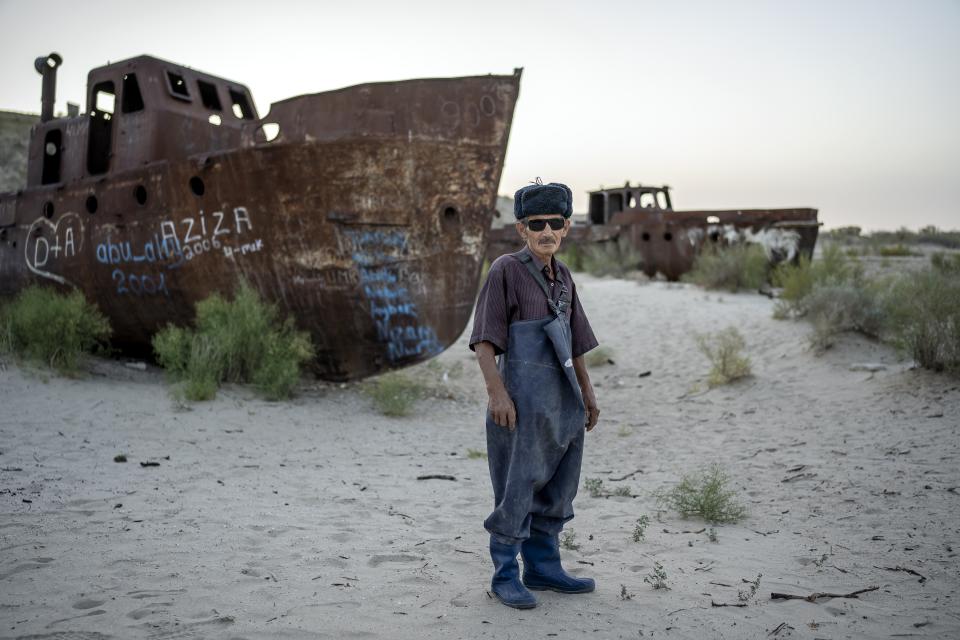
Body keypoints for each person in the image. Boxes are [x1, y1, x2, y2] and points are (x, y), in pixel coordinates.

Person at [469, 179, 601, 609]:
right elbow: (485, 341)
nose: (547, 231)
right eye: (536, 223)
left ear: (566, 228)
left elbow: (576, 341)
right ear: (521, 229)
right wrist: (497, 395)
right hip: (519, 404)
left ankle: (544, 568)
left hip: (562, 403)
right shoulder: (505, 269)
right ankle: (505, 575)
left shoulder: (563, 277)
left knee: (559, 486)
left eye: (556, 223)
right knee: (516, 486)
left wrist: (587, 393)